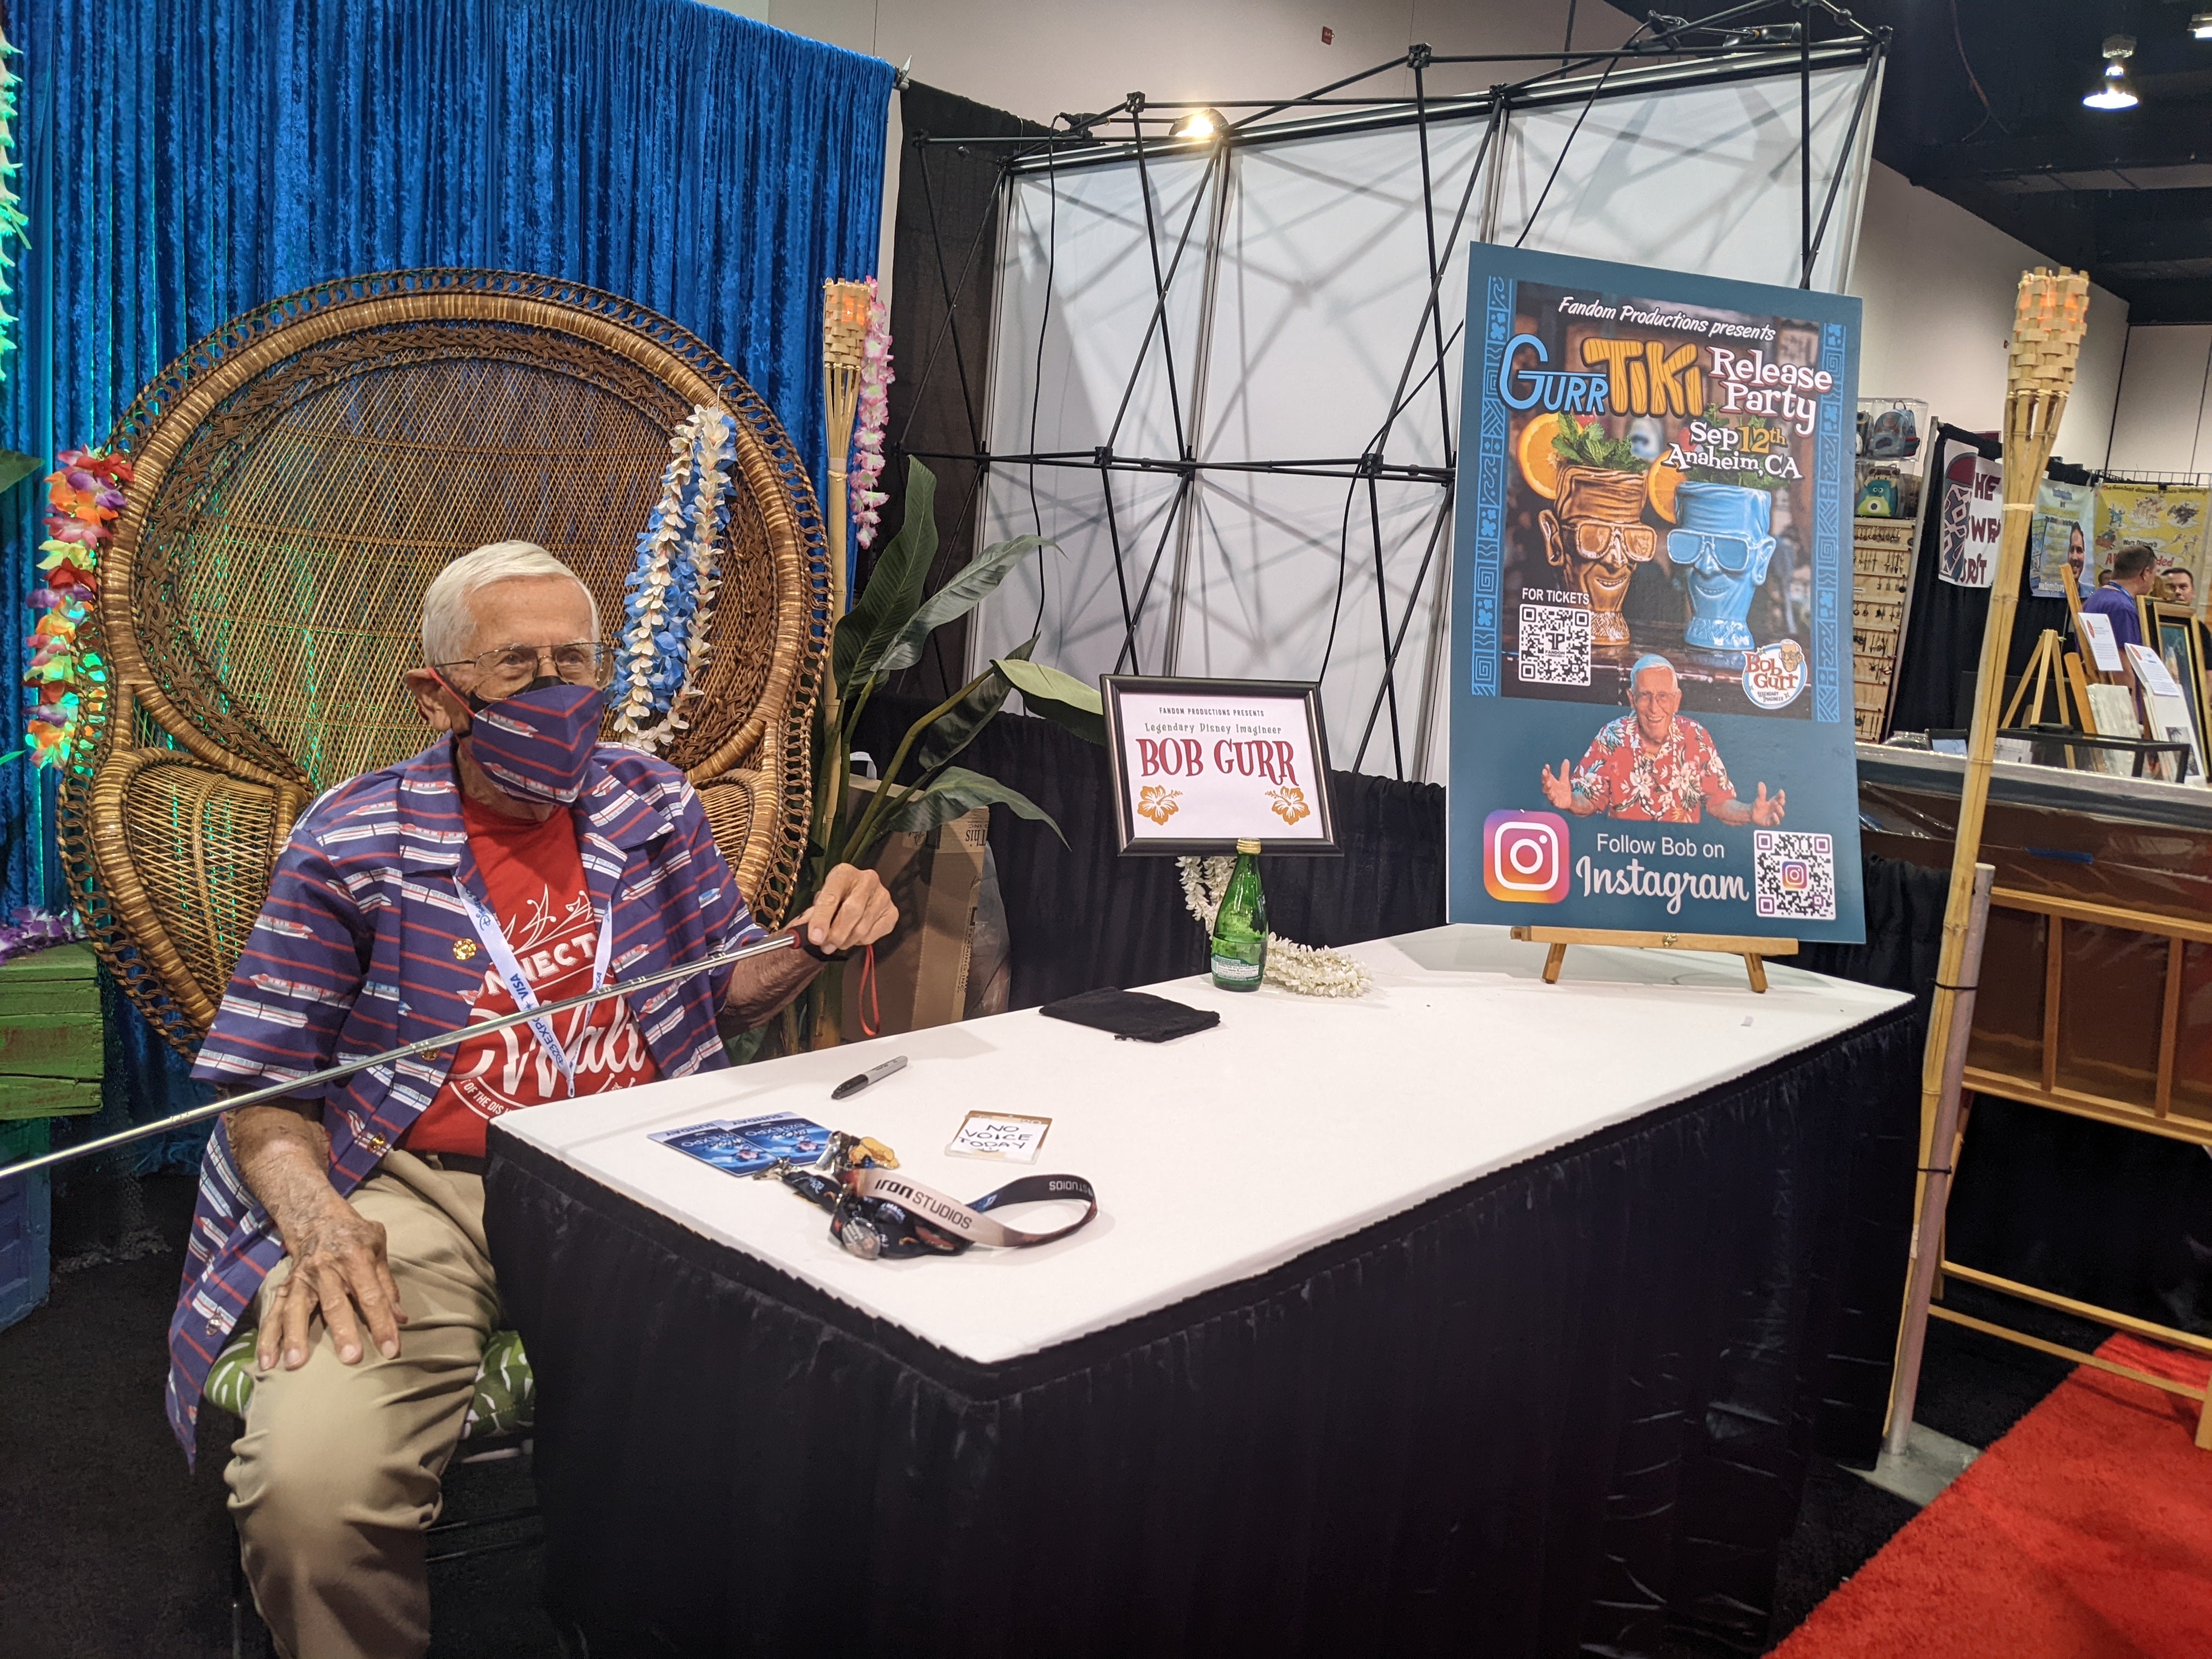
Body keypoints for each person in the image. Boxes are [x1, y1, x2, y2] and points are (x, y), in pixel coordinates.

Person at [168, 542, 897, 1659]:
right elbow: (263, 1085)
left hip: (643, 1171)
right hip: (428, 1193)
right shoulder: (350, 838)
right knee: (309, 1494)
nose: (561, 694)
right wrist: (318, 1224)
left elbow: (727, 990)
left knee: (854, 1381)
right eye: (521, 667)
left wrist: (812, 939)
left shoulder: (649, 802)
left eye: (578, 662)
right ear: (440, 692)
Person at [1539, 654, 1787, 825]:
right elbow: (1590, 801)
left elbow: (1718, 802)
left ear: (1677, 700)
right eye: (1645, 696)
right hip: (1624, 859)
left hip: (1682, 858)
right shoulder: (1612, 736)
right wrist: (1570, 800)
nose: (1654, 708)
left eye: (1663, 697)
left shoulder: (1695, 736)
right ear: (1631, 698)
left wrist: (1749, 813)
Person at [2083, 540, 2159, 652]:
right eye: (2154, 575)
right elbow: (2124, 664)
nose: (2153, 583)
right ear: (2146, 573)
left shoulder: (2095, 598)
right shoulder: (2122, 608)